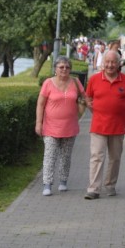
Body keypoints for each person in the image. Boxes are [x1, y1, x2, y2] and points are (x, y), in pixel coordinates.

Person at [83, 50, 125, 199]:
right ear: (103, 63)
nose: (110, 65)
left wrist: (117, 111)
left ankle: (110, 185)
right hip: (98, 125)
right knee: (96, 157)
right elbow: (88, 98)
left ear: (119, 64)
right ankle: (93, 189)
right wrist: (98, 111)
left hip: (118, 126)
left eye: (113, 62)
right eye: (107, 62)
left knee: (115, 158)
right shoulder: (94, 79)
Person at [35, 56, 84, 196]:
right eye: (61, 67)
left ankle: (63, 181)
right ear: (55, 69)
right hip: (50, 127)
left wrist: (86, 105)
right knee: (50, 155)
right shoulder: (48, 83)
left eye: (67, 67)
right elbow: (40, 104)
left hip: (70, 126)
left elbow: (85, 97)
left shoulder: (75, 82)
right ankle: (47, 184)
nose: (64, 69)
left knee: (66, 156)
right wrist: (39, 122)